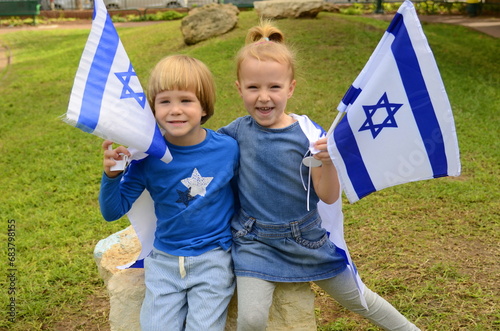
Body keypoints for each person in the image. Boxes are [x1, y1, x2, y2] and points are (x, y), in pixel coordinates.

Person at [218, 21, 420, 331]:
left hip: (307, 240)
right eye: (253, 87)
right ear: (238, 88)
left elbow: (327, 196)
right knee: (251, 318)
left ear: (291, 87)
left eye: (274, 87)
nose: (264, 97)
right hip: (256, 243)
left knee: (359, 299)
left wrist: (328, 161)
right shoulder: (234, 133)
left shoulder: (308, 137)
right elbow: (199, 151)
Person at [98, 55, 239, 331]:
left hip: (213, 261)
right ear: (152, 108)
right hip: (164, 263)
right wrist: (112, 176)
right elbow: (112, 211)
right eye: (164, 101)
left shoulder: (228, 149)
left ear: (204, 106)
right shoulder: (147, 157)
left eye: (185, 100)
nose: (175, 110)